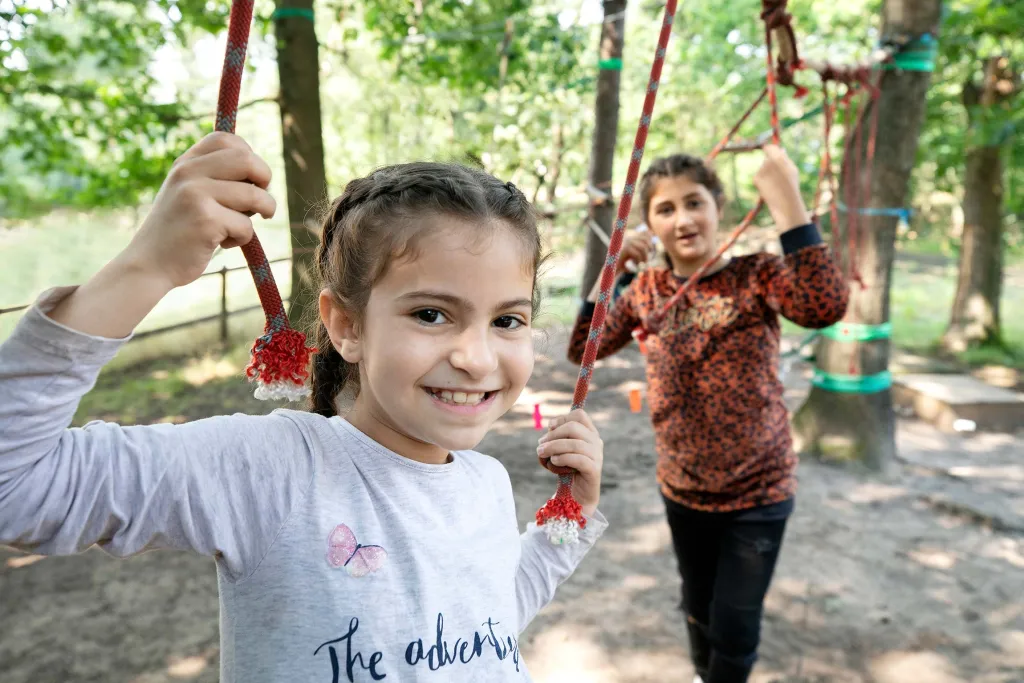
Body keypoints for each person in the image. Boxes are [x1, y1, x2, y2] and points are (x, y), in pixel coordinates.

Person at [0, 132, 608, 682]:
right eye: (430, 314)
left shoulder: (486, 481)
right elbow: (17, 484)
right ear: (346, 325)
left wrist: (570, 521)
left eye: (507, 320)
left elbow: (481, 628)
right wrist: (147, 266)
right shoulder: (275, 470)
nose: (476, 358)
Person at [567, 145, 847, 683]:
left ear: (719, 206)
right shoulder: (646, 290)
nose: (683, 219)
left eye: (694, 202)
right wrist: (614, 273)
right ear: (650, 223)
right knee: (697, 610)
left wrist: (788, 204)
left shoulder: (758, 275)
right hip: (683, 488)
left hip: (759, 491)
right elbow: (584, 347)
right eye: (665, 209)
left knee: (735, 628)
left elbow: (823, 304)